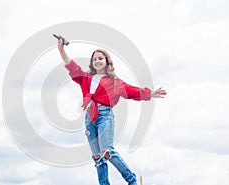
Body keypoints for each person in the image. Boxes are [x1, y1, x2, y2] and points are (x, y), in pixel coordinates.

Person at [57, 36, 166, 185]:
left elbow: (133, 91)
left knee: (107, 152)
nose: (97, 61)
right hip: (90, 117)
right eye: (94, 59)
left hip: (104, 115)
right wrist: (61, 49)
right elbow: (71, 66)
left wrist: (151, 93)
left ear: (107, 61)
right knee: (97, 156)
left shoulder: (115, 82)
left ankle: (132, 180)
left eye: (100, 58)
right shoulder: (86, 78)